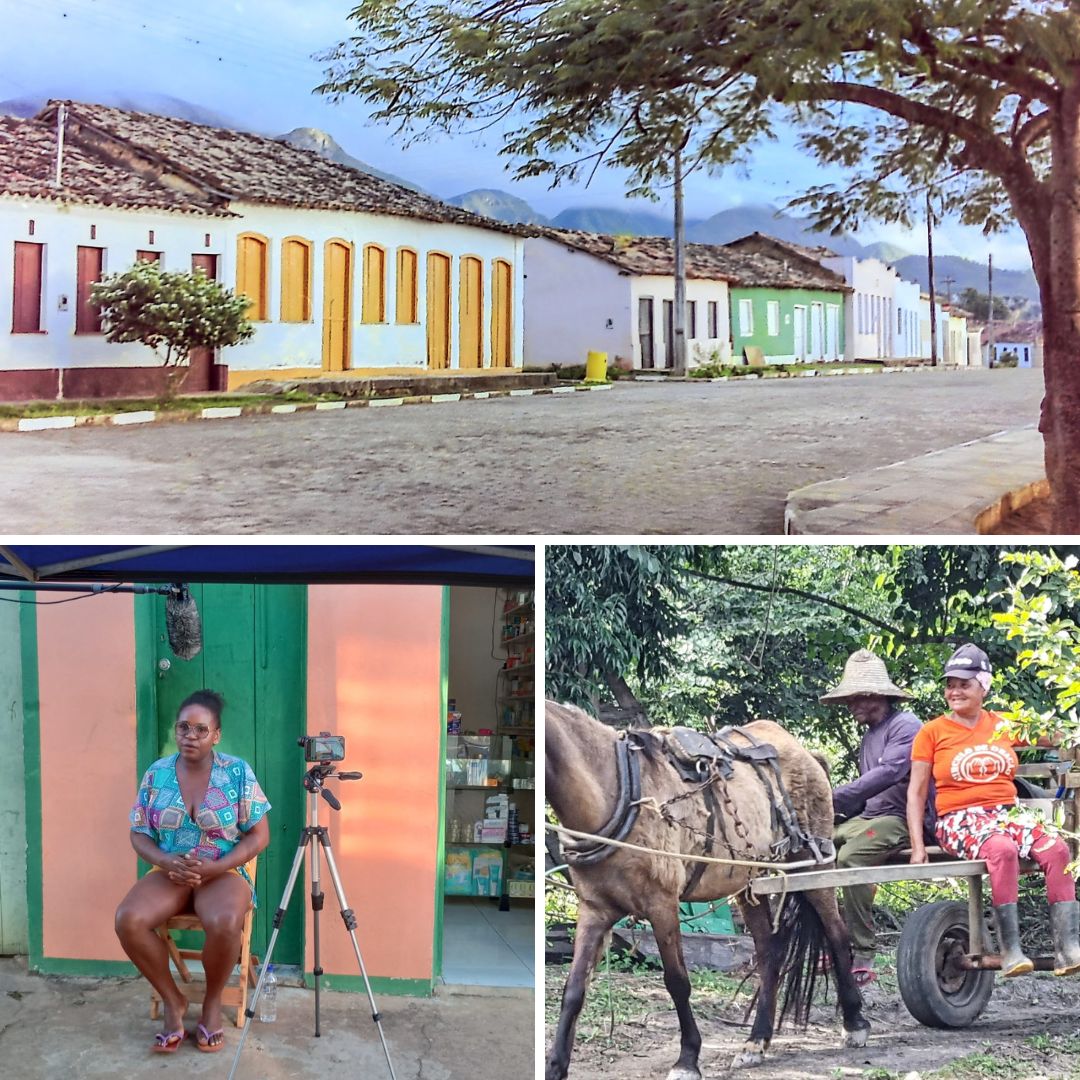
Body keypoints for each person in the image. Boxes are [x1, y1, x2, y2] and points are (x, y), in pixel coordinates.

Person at [908, 643, 1080, 978]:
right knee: (1001, 849)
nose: (955, 691)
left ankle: (1067, 948)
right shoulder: (932, 732)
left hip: (1006, 813)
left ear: (983, 687)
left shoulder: (1002, 724)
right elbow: (915, 793)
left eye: (964, 683)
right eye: (950, 684)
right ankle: (1010, 950)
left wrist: (1072, 732)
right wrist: (917, 846)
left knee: (1057, 849)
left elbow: (1057, 736)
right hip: (959, 819)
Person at [114, 689, 271, 1053]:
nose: (190, 735)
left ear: (216, 734)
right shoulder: (158, 773)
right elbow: (138, 831)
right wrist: (167, 861)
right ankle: (174, 1000)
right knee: (128, 919)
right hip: (170, 871)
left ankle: (212, 1003)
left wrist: (217, 865)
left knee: (225, 919)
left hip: (222, 871)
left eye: (201, 729)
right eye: (183, 727)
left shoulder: (236, 772)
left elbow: (259, 835)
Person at [821, 649, 924, 985]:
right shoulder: (869, 735)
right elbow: (866, 795)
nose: (850, 707)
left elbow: (887, 774)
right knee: (814, 844)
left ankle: (864, 949)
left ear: (873, 696)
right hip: (871, 818)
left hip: (902, 820)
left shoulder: (905, 726)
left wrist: (833, 795)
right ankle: (833, 938)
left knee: (850, 858)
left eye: (854, 699)